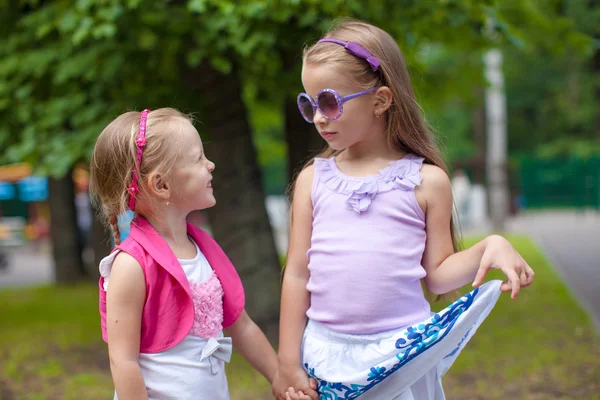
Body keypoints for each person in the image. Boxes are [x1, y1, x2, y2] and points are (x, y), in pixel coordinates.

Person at [272, 20, 535, 400]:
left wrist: (489, 246)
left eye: (329, 101)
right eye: (309, 104)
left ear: (380, 100)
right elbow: (297, 275)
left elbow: (439, 276)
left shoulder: (427, 182)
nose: (318, 116)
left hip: (402, 359)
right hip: (325, 359)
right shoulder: (313, 181)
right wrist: (287, 363)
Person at [89, 108, 311, 400]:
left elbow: (241, 326)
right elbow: (123, 361)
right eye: (197, 159)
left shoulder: (204, 250)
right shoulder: (131, 265)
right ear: (161, 185)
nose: (211, 165)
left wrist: (281, 378)